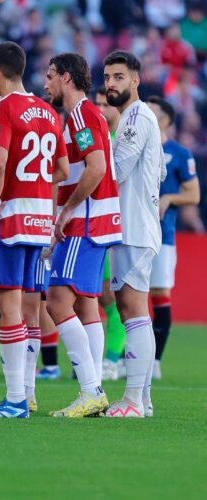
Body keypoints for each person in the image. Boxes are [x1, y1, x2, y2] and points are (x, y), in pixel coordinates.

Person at [0, 41, 68, 419]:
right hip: (40, 220)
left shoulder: (2, 107)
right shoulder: (47, 111)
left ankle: (14, 401)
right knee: (29, 309)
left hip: (10, 219)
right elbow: (61, 170)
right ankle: (25, 394)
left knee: (8, 308)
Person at [43, 52, 122, 417]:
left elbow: (97, 166)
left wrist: (69, 209)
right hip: (99, 219)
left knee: (57, 300)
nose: (46, 84)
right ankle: (94, 391)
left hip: (86, 220)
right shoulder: (85, 115)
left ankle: (90, 390)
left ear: (68, 78)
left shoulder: (81, 114)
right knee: (87, 303)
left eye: (50, 76)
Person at [103, 51, 167, 418]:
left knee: (133, 309)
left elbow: (116, 170)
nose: (111, 83)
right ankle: (141, 398)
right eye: (108, 76)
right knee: (132, 310)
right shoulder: (137, 117)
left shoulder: (136, 117)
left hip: (133, 226)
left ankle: (132, 401)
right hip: (135, 224)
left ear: (136, 80)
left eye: (119, 77)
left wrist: (88, 163)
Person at [146, 96, 200, 380]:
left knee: (158, 294)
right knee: (125, 296)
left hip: (163, 236)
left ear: (165, 119)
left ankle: (154, 360)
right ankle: (122, 357)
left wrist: (169, 197)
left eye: (152, 111)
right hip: (132, 233)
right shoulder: (137, 145)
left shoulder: (179, 153)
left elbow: (194, 194)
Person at [93, 86, 127, 382]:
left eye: (106, 105)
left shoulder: (121, 143)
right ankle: (115, 354)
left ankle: (113, 357)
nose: (101, 110)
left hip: (118, 229)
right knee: (100, 297)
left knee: (112, 296)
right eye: (98, 104)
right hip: (96, 225)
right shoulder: (97, 141)